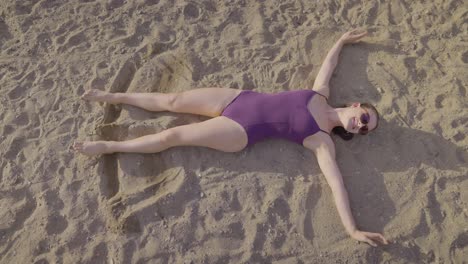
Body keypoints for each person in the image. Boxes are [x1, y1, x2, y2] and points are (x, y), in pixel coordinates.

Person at [74, 29, 389, 246]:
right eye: (363, 118)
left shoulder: (322, 140)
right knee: (173, 101)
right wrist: (341, 41)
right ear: (355, 106)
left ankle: (110, 146)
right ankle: (112, 96)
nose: (358, 126)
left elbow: (337, 185)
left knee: (172, 135)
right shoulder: (321, 93)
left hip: (241, 133)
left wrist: (353, 229)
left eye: (363, 130)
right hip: (240, 99)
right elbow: (329, 65)